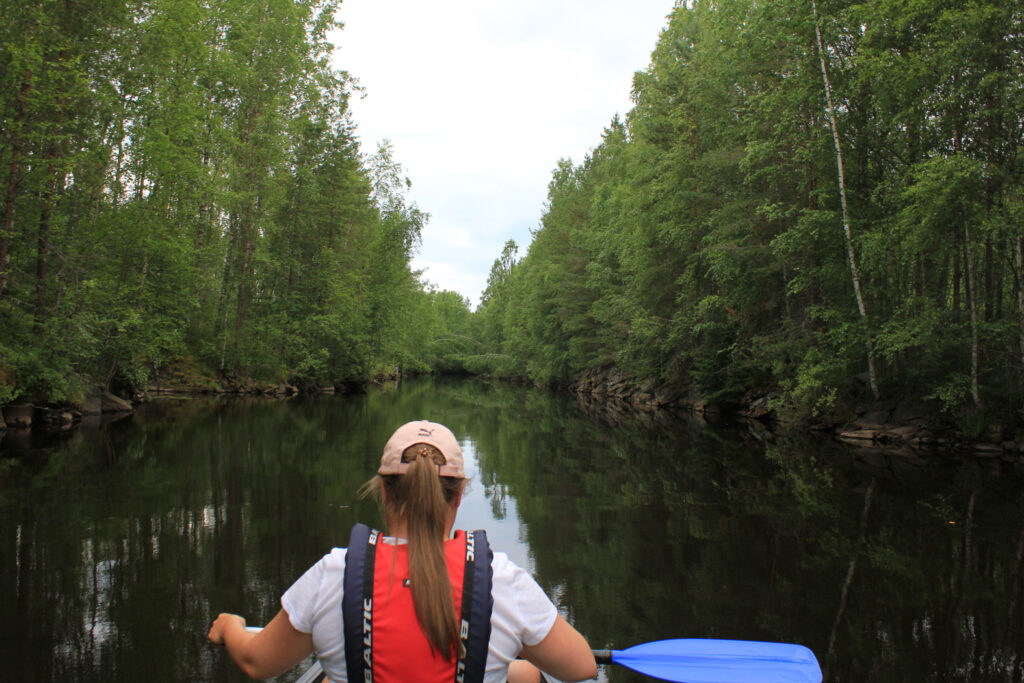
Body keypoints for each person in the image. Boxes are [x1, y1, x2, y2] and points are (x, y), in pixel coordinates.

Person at [208, 419, 597, 683]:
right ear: (459, 493)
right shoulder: (504, 582)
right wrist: (505, 660)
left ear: (383, 489)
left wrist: (230, 625)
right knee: (526, 674)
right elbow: (581, 666)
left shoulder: (334, 573)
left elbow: (255, 661)